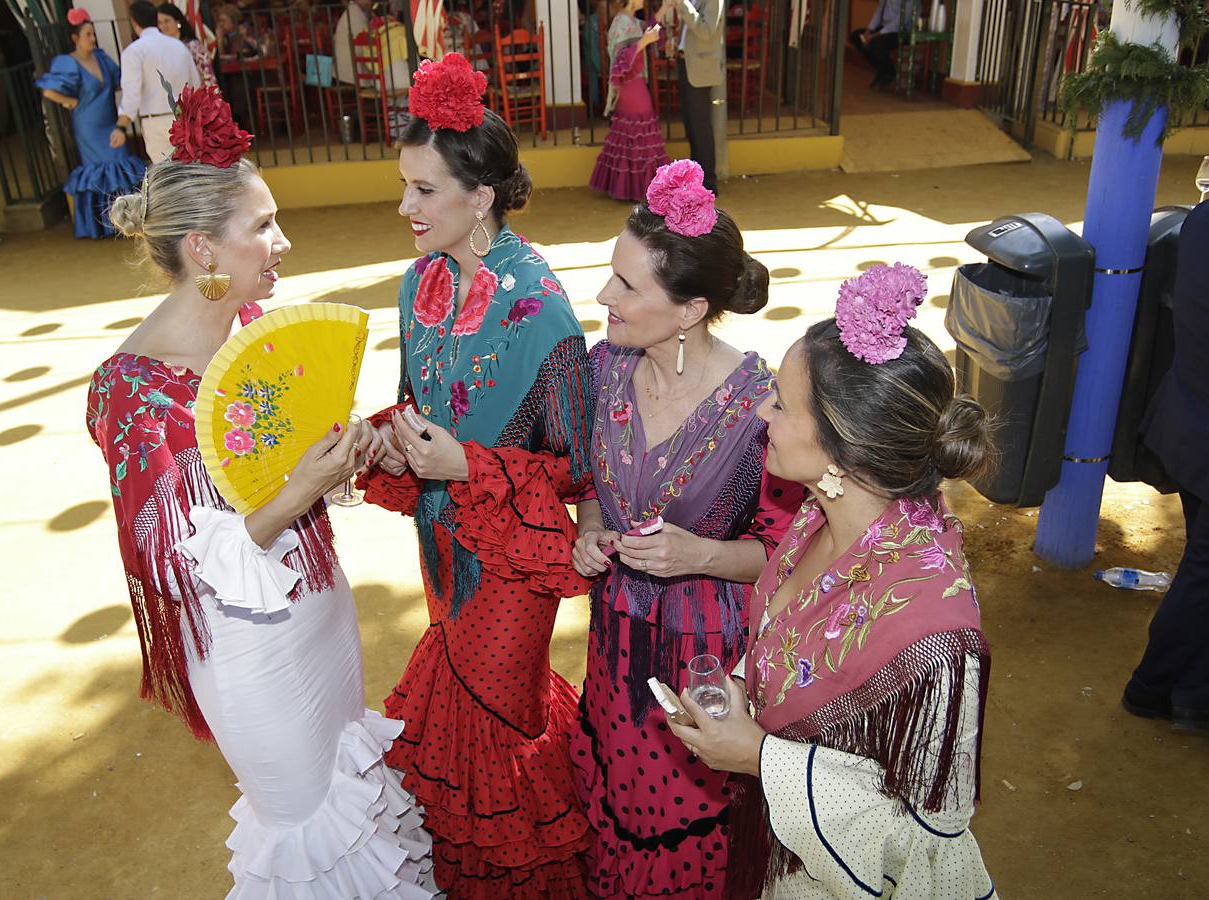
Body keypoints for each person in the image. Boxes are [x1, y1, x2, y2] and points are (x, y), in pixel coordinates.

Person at [89, 84, 436, 898]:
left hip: (322, 616)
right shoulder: (130, 391)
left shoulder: (250, 337)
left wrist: (349, 452)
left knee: (359, 803)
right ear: (203, 250)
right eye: (262, 226)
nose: (283, 241)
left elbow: (280, 470)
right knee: (309, 833)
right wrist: (299, 489)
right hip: (250, 651)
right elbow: (174, 565)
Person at [667, 264, 997, 899]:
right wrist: (739, 693)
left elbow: (927, 837)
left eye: (783, 404)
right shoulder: (816, 514)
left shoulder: (933, 639)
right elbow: (790, 641)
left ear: (844, 447)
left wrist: (760, 757)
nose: (763, 410)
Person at [356, 53, 595, 899]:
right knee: (464, 707)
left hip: (514, 557)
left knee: (496, 715)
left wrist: (469, 463)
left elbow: (576, 463)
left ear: (480, 196)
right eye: (405, 185)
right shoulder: (415, 283)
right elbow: (413, 406)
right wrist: (378, 440)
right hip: (439, 539)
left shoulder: (542, 308)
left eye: (424, 189)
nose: (404, 206)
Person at [569, 158, 802, 898]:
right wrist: (590, 526)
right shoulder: (602, 368)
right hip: (613, 639)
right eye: (611, 274)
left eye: (626, 285)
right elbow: (586, 479)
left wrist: (699, 552)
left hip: (705, 656)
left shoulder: (760, 405)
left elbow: (785, 554)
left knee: (687, 814)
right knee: (613, 794)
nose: (603, 295)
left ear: (690, 309)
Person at [1122, 198, 1209, 739]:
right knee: (1207, 582)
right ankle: (1150, 689)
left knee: (1208, 570)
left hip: (1190, 427)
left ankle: (1191, 693)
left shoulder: (1208, 224)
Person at [35, 10, 147, 239]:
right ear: (75, 38)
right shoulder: (68, 62)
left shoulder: (101, 57)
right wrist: (71, 102)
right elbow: (48, 91)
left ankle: (130, 218)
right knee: (103, 168)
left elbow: (119, 82)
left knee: (121, 161)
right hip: (88, 125)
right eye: (88, 34)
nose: (93, 38)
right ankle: (106, 225)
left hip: (109, 119)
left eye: (93, 34)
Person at [588, 1, 668, 202]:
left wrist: (665, 8)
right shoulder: (621, 22)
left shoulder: (629, 20)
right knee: (640, 129)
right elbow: (620, 59)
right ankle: (640, 189)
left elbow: (648, 29)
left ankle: (632, 188)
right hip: (631, 84)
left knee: (632, 132)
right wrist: (644, 41)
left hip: (634, 81)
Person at [115, 0, 201, 163]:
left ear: (134, 22)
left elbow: (131, 94)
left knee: (167, 175)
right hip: (184, 116)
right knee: (191, 170)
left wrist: (121, 126)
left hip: (155, 120)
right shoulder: (179, 46)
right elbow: (195, 84)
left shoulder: (134, 51)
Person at [658, 0, 722, 193]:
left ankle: (708, 182)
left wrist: (685, 5)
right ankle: (696, 178)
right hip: (687, 64)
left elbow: (706, 30)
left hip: (700, 70)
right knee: (691, 124)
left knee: (700, 126)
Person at [849, 0, 916, 90]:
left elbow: (899, 22)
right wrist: (868, 31)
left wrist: (873, 36)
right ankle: (884, 69)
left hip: (900, 32)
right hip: (883, 29)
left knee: (876, 43)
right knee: (855, 36)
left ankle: (889, 72)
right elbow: (878, 12)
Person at [156, 2, 218, 89]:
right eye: (160, 22)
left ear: (177, 22)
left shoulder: (193, 46)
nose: (163, 26)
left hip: (197, 97)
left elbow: (208, 77)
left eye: (167, 21)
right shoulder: (160, 48)